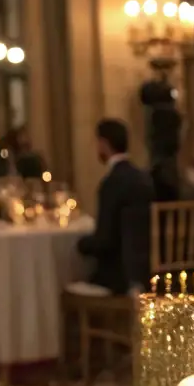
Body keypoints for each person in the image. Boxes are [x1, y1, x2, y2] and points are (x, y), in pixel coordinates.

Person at [76, 119, 153, 293]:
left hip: (118, 277)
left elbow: (105, 240)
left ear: (103, 144)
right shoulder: (143, 178)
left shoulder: (111, 183)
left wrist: (80, 245)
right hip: (145, 272)